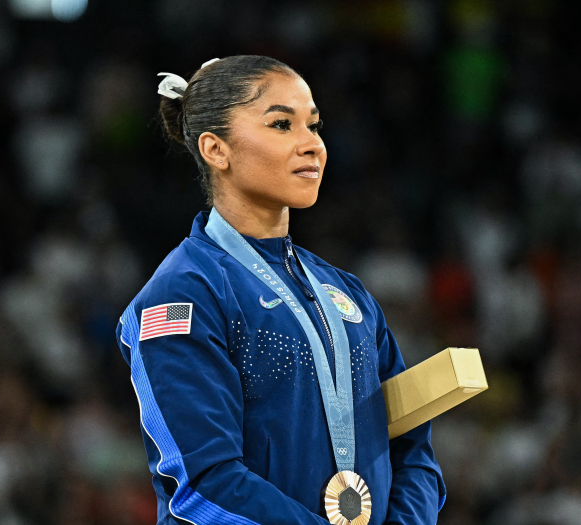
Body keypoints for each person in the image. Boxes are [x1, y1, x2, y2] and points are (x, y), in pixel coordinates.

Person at [116, 55, 445, 525]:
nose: (311, 144)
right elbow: (204, 483)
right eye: (281, 125)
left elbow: (413, 449)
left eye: (313, 125)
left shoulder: (347, 295)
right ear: (216, 149)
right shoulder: (184, 294)